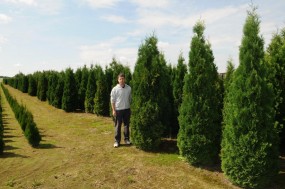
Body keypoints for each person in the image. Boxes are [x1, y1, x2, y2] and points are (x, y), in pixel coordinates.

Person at [110, 73, 131, 148]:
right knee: (118, 126)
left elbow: (130, 98)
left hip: (127, 109)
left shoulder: (129, 88)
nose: (122, 80)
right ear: (118, 80)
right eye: (120, 79)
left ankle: (127, 139)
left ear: (125, 79)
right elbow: (112, 100)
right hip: (118, 110)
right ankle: (117, 141)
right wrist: (113, 110)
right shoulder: (115, 89)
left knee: (126, 125)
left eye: (123, 78)